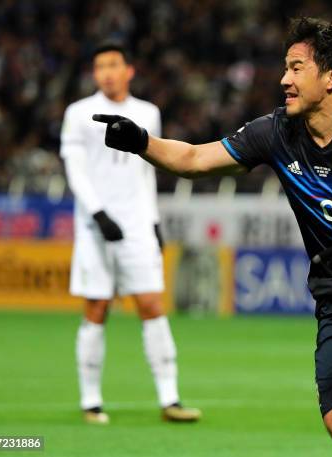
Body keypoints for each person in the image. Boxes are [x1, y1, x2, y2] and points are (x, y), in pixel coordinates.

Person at [93, 18, 332, 456]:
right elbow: (194, 159)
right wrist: (141, 142)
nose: (284, 79)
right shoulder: (274, 133)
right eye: (285, 68)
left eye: (296, 67)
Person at [60, 42, 201, 424]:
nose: (106, 72)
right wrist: (98, 213)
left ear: (129, 71)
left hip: (137, 222)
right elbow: (75, 168)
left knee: (152, 305)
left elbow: (146, 172)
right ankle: (91, 401)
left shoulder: (147, 113)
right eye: (99, 66)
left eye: (113, 64)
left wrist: (153, 221)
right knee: (97, 308)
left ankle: (170, 399)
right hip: (95, 226)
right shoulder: (78, 113)